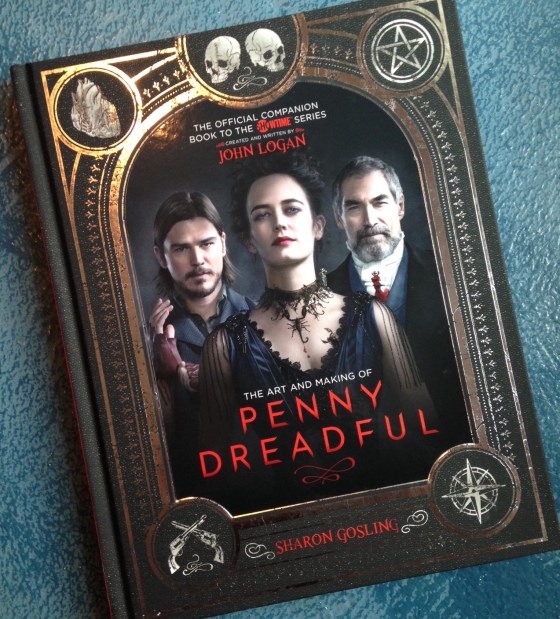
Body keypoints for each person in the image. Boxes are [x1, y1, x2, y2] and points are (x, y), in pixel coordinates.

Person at [196, 153, 444, 515]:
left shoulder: (374, 316)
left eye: (292, 209)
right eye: (262, 215)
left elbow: (429, 435)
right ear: (248, 239)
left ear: (319, 225)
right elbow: (214, 477)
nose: (280, 222)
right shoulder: (224, 345)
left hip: (386, 516)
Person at [328, 156, 471, 448]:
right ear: (338, 218)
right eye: (354, 207)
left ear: (400, 206)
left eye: (380, 202)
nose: (370, 220)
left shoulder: (452, 273)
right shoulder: (316, 296)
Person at [149, 191, 254, 497]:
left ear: (222, 243)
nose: (197, 260)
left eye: (206, 244)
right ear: (161, 257)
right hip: (191, 494)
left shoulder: (262, 317)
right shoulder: (146, 341)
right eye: (181, 248)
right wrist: (155, 371)